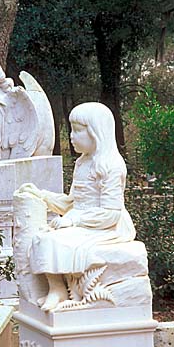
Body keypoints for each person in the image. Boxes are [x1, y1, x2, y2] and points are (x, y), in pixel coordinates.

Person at [18, 102, 136, 311]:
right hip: (84, 221)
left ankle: (61, 291)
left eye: (78, 131)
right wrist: (42, 195)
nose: (72, 136)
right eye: (71, 130)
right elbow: (72, 203)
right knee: (42, 237)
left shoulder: (110, 165)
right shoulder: (82, 163)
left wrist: (74, 220)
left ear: (96, 132)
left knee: (53, 239)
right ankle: (57, 288)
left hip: (106, 226)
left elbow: (111, 213)